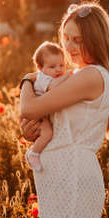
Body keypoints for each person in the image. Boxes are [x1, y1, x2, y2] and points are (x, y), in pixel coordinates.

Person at [19, 1, 109, 218]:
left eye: (79, 39)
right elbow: (53, 123)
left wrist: (28, 80)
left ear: (97, 40)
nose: (70, 46)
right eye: (66, 38)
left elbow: (29, 107)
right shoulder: (81, 75)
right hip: (69, 176)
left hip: (70, 178)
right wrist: (33, 132)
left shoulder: (90, 75)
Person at [21, 41, 71, 172]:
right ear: (40, 68)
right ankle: (34, 153)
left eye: (62, 65)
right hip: (37, 116)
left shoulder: (49, 76)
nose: (59, 69)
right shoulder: (43, 79)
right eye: (52, 67)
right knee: (47, 132)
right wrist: (69, 75)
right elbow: (54, 86)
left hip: (41, 113)